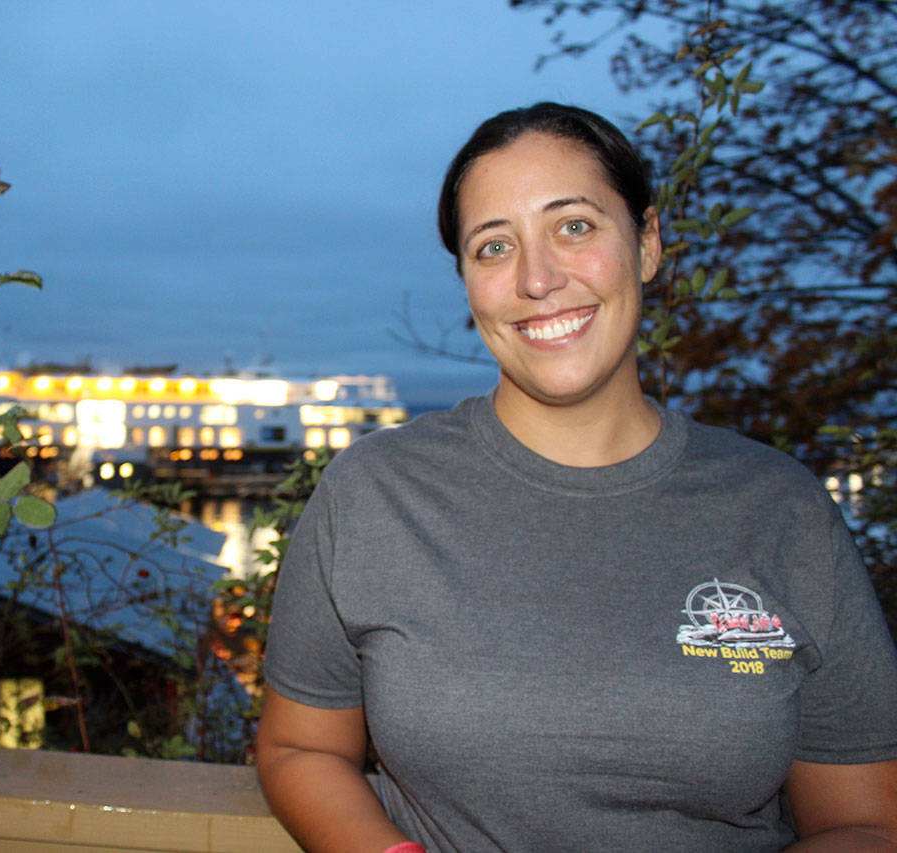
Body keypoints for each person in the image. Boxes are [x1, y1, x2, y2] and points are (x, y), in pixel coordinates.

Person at [255, 102, 897, 852]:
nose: (536, 278)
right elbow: (301, 748)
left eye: (575, 226)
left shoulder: (780, 508)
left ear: (648, 242)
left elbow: (867, 820)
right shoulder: (376, 493)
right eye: (494, 247)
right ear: (467, 282)